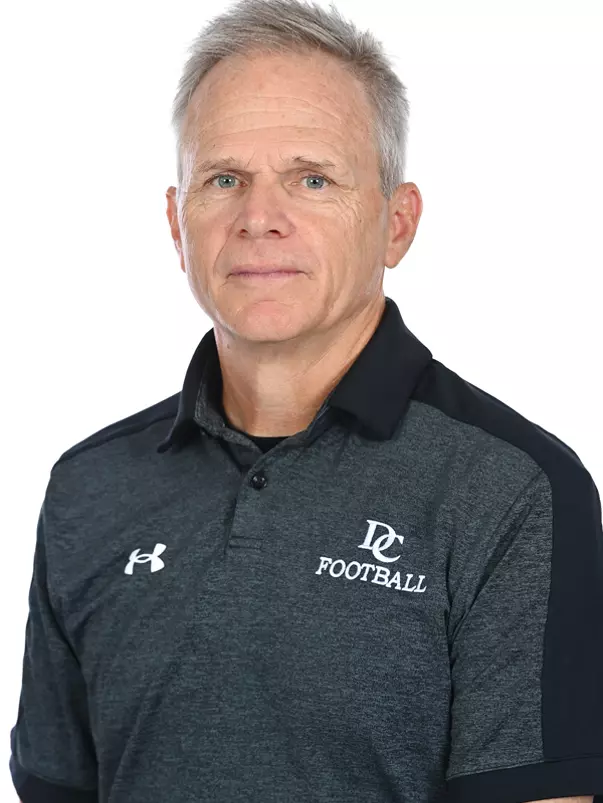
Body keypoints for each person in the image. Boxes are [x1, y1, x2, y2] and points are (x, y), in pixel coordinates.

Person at [8, 0, 603, 800]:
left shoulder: (513, 491)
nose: (259, 219)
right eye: (223, 179)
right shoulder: (89, 485)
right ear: (177, 224)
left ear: (396, 223)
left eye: (312, 178)